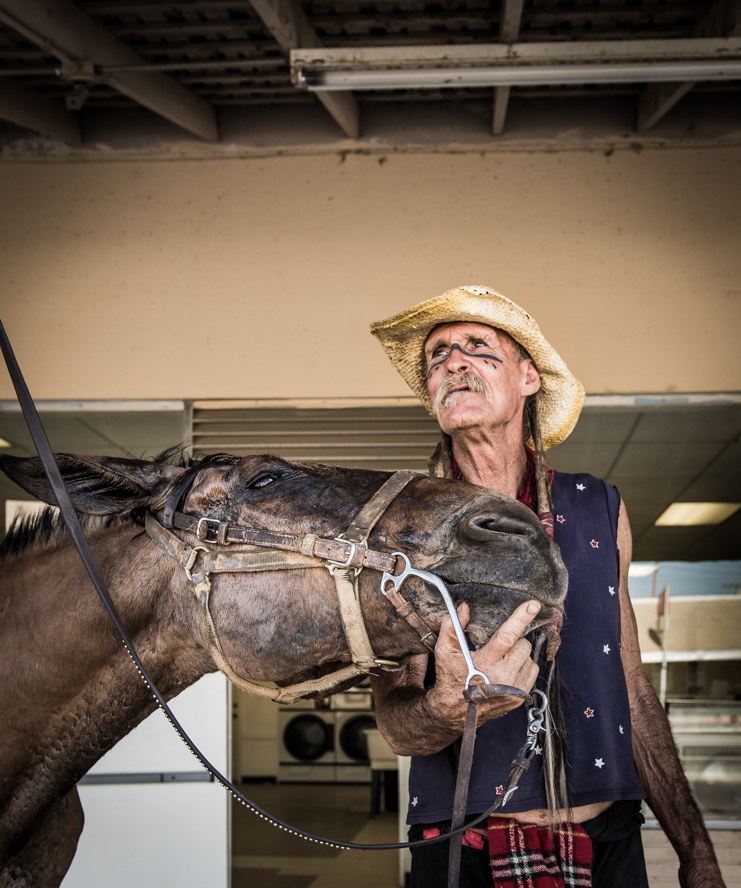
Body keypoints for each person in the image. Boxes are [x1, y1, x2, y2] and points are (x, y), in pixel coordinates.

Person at [368, 286, 725, 888]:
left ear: (529, 378)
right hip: (465, 844)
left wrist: (697, 853)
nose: (451, 362)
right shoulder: (403, 524)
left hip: (607, 838)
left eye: (478, 348)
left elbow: (632, 688)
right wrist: (444, 706)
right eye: (437, 356)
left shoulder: (599, 508)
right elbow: (396, 722)